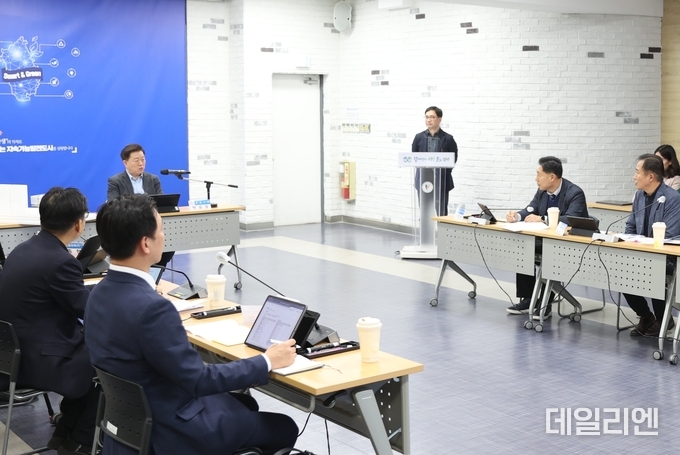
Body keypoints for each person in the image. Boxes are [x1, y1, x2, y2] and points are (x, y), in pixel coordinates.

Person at [84, 194, 299, 455]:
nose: (164, 236)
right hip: (173, 431)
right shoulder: (153, 308)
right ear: (145, 243)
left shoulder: (98, 292)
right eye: (161, 230)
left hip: (129, 425)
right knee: (284, 426)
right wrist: (267, 361)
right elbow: (199, 381)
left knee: (245, 404)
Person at [0, 187, 99, 455]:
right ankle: (81, 441)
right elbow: (89, 310)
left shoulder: (22, 249)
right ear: (79, 224)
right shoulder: (61, 262)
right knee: (111, 359)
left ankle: (67, 432)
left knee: (93, 353)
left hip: (11, 355)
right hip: (37, 361)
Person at [505, 156, 589, 319]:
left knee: (551, 253)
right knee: (524, 247)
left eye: (539, 174)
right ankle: (528, 299)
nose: (536, 179)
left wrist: (543, 219)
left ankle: (545, 303)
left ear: (552, 177)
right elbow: (531, 209)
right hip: (546, 241)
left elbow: (572, 219)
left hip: (569, 244)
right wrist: (516, 216)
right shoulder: (542, 191)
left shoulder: (575, 193)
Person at [623, 154, 680, 337]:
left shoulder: (672, 198)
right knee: (620, 272)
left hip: (666, 256)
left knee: (655, 271)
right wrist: (631, 241)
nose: (634, 176)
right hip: (642, 252)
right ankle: (646, 316)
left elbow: (670, 234)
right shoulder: (639, 196)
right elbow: (631, 225)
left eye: (637, 172)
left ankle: (664, 319)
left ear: (650, 176)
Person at [107, 143, 173, 267]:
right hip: (129, 227)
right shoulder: (115, 181)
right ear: (125, 163)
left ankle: (155, 272)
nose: (141, 163)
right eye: (136, 160)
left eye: (143, 159)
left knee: (169, 247)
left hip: (151, 225)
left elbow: (161, 203)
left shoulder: (153, 179)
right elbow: (113, 205)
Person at [411, 106, 458, 215]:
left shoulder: (448, 139)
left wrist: (444, 173)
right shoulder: (419, 137)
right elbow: (414, 157)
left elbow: (453, 159)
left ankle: (441, 227)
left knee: (441, 212)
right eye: (427, 117)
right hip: (423, 180)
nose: (428, 120)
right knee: (425, 212)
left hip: (441, 181)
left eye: (432, 117)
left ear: (439, 119)